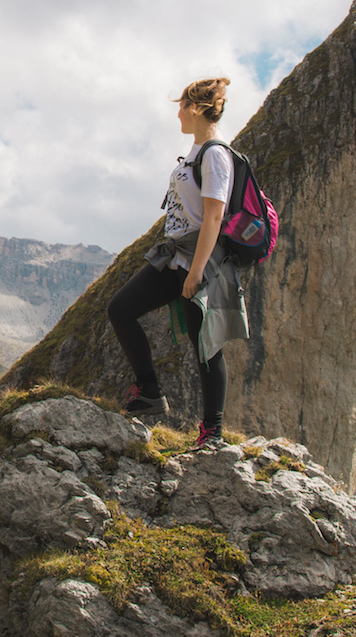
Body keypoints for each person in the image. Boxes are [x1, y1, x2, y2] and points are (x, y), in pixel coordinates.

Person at [107, 77, 250, 449]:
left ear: (197, 108)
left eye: (182, 106)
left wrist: (197, 271)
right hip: (174, 256)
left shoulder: (215, 154)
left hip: (200, 261)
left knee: (205, 343)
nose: (178, 114)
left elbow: (214, 216)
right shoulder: (195, 152)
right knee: (121, 309)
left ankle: (213, 431)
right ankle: (149, 391)